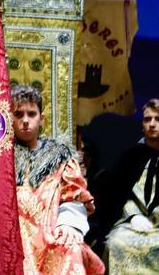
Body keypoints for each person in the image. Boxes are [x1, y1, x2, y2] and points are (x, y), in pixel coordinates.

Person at [12, 84, 105, 275]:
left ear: (41, 118)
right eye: (18, 114)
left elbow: (73, 196)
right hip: (12, 228)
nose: (25, 121)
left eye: (31, 114)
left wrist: (68, 224)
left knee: (71, 248)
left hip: (51, 227)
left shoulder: (60, 156)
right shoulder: (1, 156)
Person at [100, 99, 159, 274]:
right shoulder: (130, 157)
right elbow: (115, 195)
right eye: (147, 119)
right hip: (131, 223)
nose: (152, 124)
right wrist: (132, 216)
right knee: (115, 243)